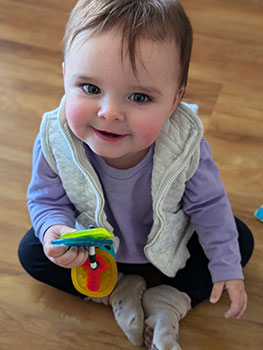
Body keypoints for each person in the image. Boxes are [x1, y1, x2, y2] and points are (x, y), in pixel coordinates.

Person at [18, 1, 254, 349]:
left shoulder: (184, 142)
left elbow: (208, 204)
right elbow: (45, 199)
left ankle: (171, 299)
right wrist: (56, 230)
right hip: (99, 253)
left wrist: (226, 266)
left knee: (237, 240)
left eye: (139, 96)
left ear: (174, 101)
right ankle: (117, 290)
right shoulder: (55, 137)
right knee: (33, 251)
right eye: (90, 88)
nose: (110, 112)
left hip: (170, 248)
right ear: (65, 75)